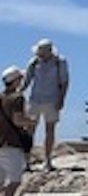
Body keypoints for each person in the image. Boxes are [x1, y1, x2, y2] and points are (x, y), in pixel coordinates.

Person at [23, 39, 69, 171]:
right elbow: (27, 81)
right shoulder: (34, 62)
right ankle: (26, 161)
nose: (40, 56)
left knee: (50, 130)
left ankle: (48, 160)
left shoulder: (60, 62)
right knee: (29, 131)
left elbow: (64, 82)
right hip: (35, 100)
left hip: (52, 100)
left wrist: (61, 99)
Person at [0, 66, 33, 196]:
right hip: (11, 143)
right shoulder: (17, 98)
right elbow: (18, 120)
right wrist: (31, 122)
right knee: (13, 182)